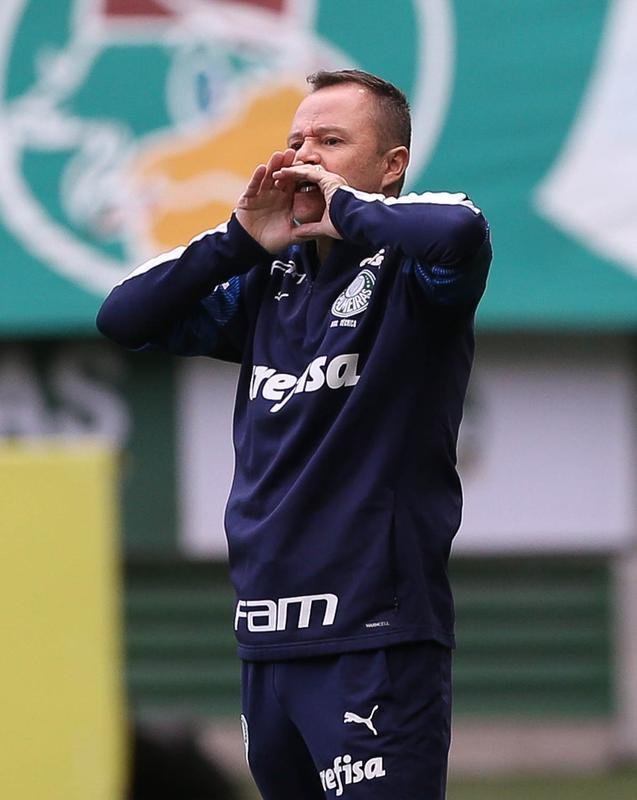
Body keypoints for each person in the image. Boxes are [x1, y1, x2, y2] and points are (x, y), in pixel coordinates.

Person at [98, 69, 491, 800]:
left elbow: (459, 233)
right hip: (269, 640)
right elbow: (124, 317)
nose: (304, 156)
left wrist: (348, 210)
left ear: (391, 164)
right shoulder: (264, 280)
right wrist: (239, 240)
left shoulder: (415, 261)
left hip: (373, 635)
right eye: (295, 140)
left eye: (331, 141)